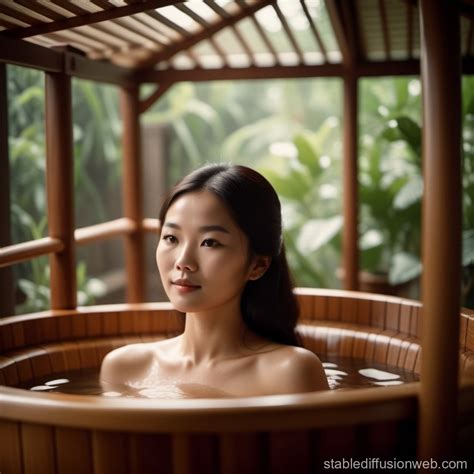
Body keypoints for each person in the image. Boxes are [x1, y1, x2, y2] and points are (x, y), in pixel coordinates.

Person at [100, 164, 329, 397]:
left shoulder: (290, 372)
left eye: (210, 242)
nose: (183, 261)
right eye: (171, 238)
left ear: (258, 265)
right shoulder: (125, 368)